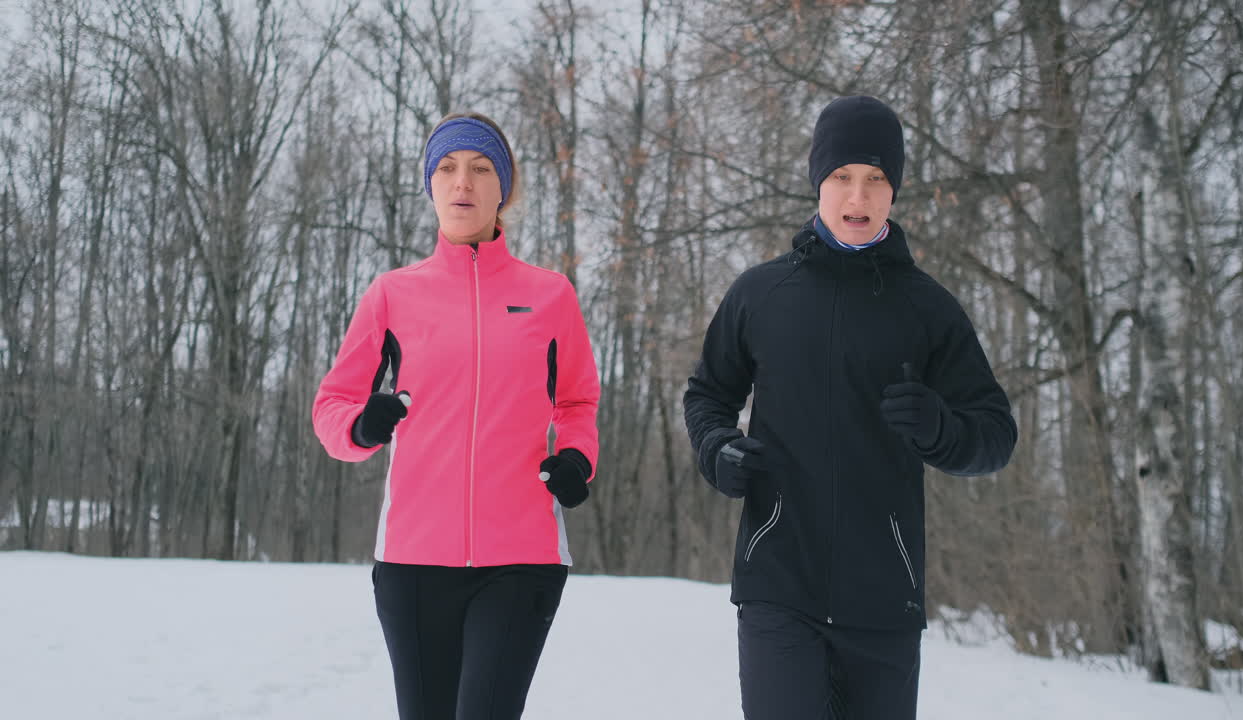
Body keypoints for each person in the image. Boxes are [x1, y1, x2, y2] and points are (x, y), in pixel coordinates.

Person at [683, 95, 1017, 720]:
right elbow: (708, 395)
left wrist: (940, 428)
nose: (856, 198)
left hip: (884, 598)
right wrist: (717, 449)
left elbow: (996, 434)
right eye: (841, 178)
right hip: (777, 582)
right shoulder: (761, 294)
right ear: (818, 183)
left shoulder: (928, 309)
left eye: (875, 180)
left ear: (895, 189)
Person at [312, 112, 600, 720]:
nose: (461, 182)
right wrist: (362, 427)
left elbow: (576, 401)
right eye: (446, 168)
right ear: (430, 185)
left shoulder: (550, 295)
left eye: (479, 168)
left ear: (504, 190)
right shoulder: (393, 294)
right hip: (413, 563)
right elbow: (332, 406)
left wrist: (577, 457)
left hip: (522, 560)